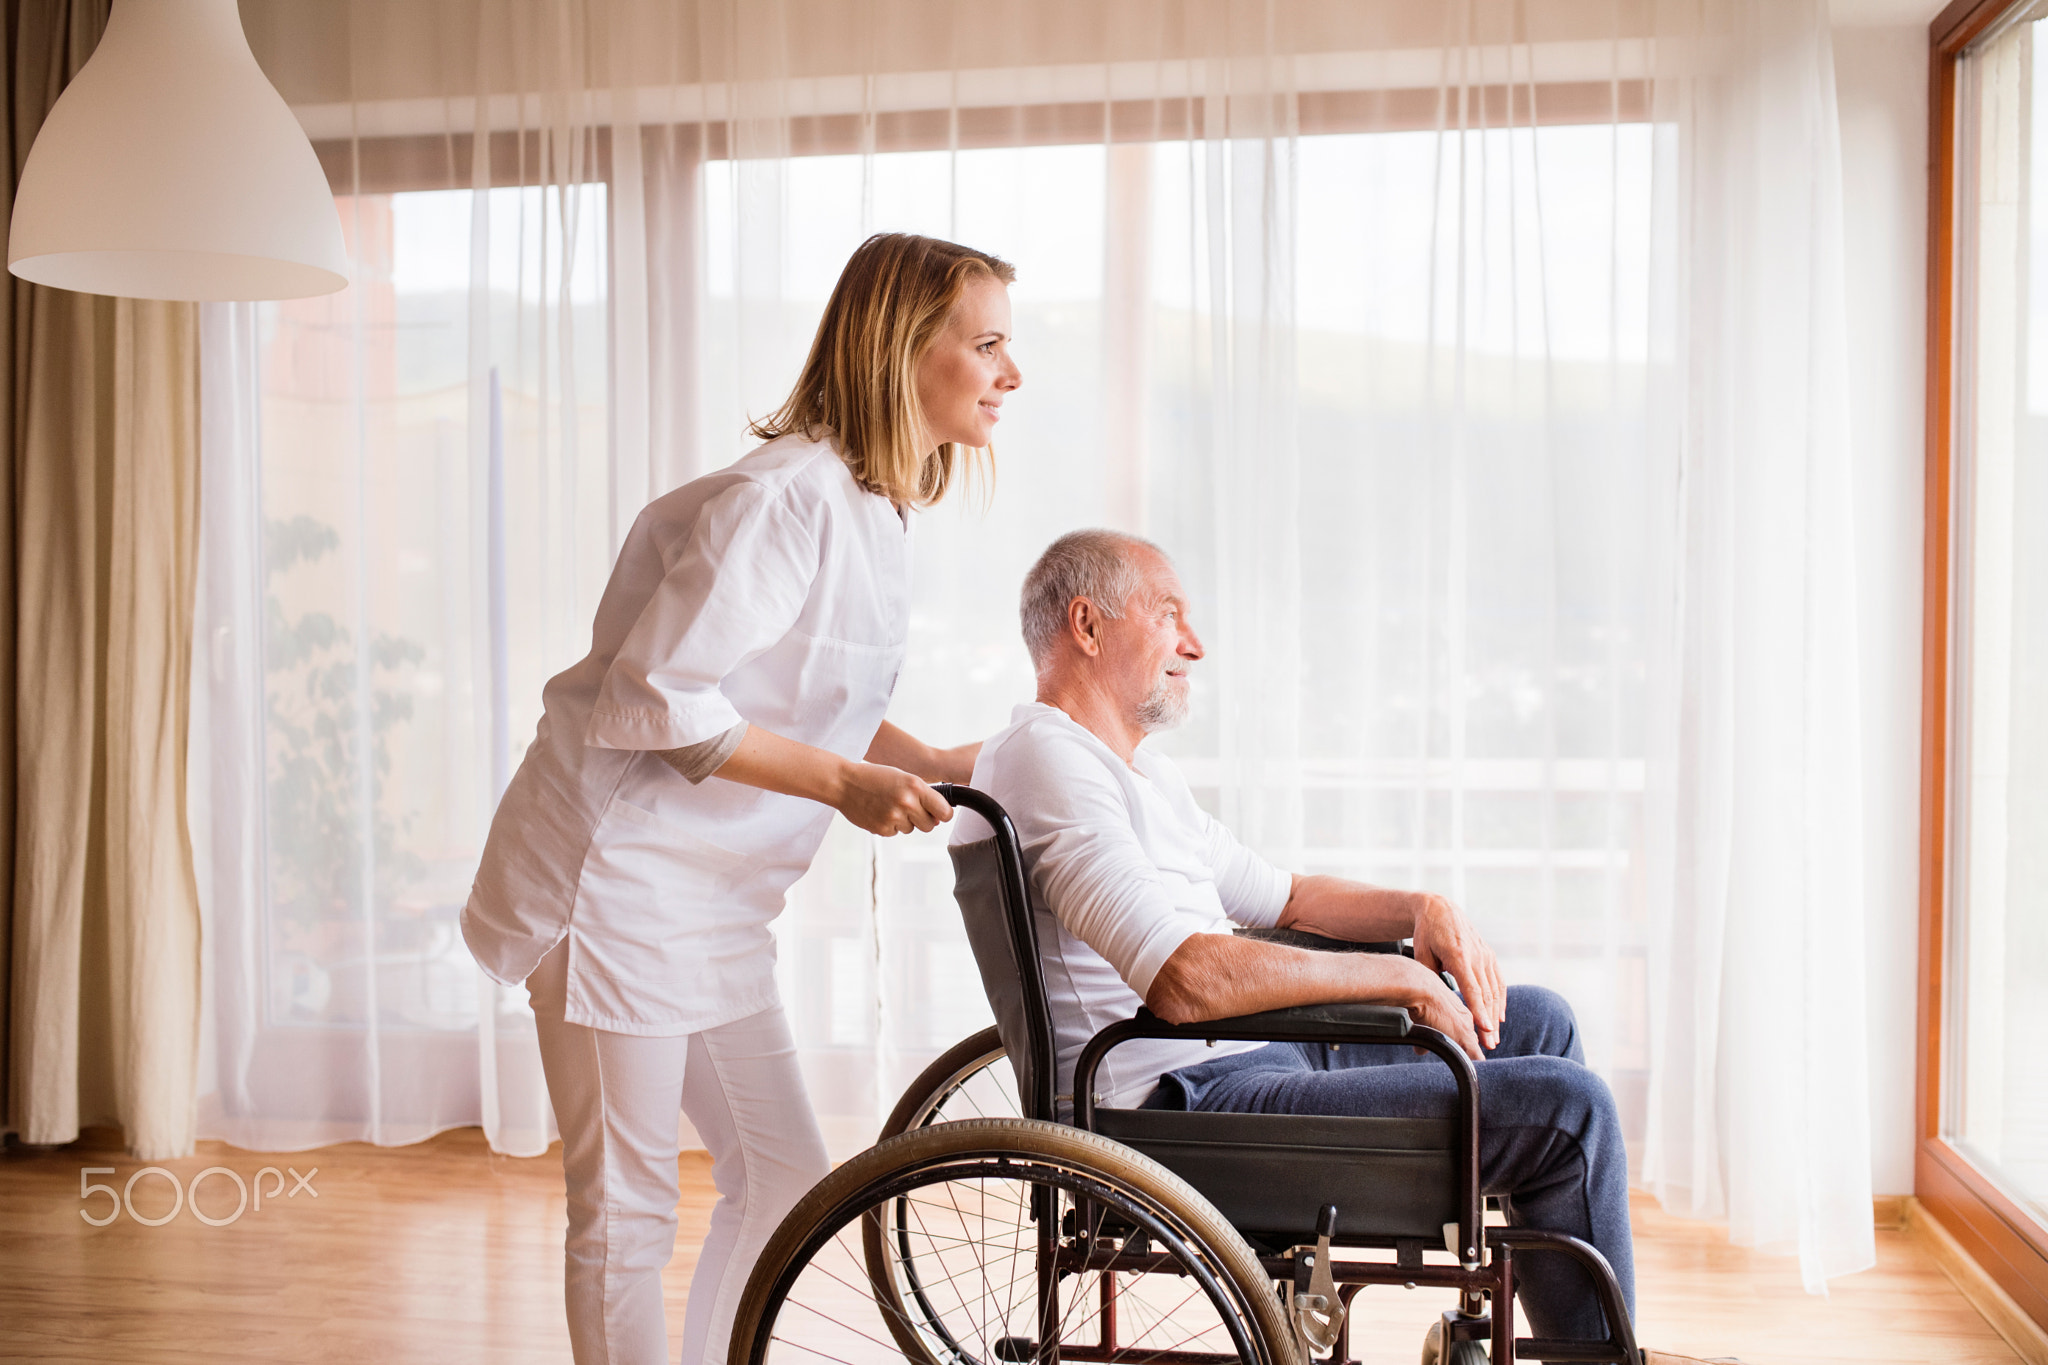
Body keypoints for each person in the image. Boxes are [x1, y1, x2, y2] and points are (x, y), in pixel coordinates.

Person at [952, 528, 1732, 1365]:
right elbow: (1183, 978)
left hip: (1240, 1061)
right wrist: (1398, 977)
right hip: (1179, 1110)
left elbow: (1285, 894)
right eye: (1169, 613)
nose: (1195, 643)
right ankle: (1602, 1359)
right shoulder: (1050, 762)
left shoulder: (1133, 772)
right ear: (1088, 624)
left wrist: (1422, 909)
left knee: (1534, 1022)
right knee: (1568, 1114)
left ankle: (1577, 1344)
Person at [462, 232, 1021, 1365]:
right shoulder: (783, 499)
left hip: (711, 903)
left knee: (782, 1180)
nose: (1011, 374)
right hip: (617, 886)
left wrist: (966, 765)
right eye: (989, 343)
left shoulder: (874, 508)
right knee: (625, 1210)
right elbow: (655, 699)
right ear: (902, 347)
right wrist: (844, 787)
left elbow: (816, 698)